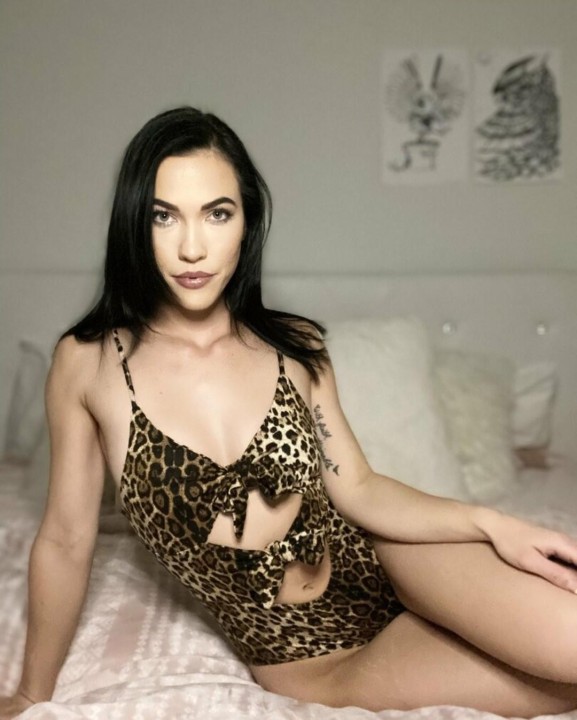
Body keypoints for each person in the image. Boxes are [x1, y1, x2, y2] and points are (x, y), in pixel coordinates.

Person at [1, 107, 577, 719]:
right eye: (163, 216)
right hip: (318, 660)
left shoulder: (295, 346)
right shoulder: (88, 362)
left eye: (217, 213)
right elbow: (65, 539)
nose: (192, 247)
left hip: (396, 559)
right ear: (134, 225)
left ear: (247, 222)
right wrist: (32, 694)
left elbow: (359, 488)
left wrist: (493, 524)